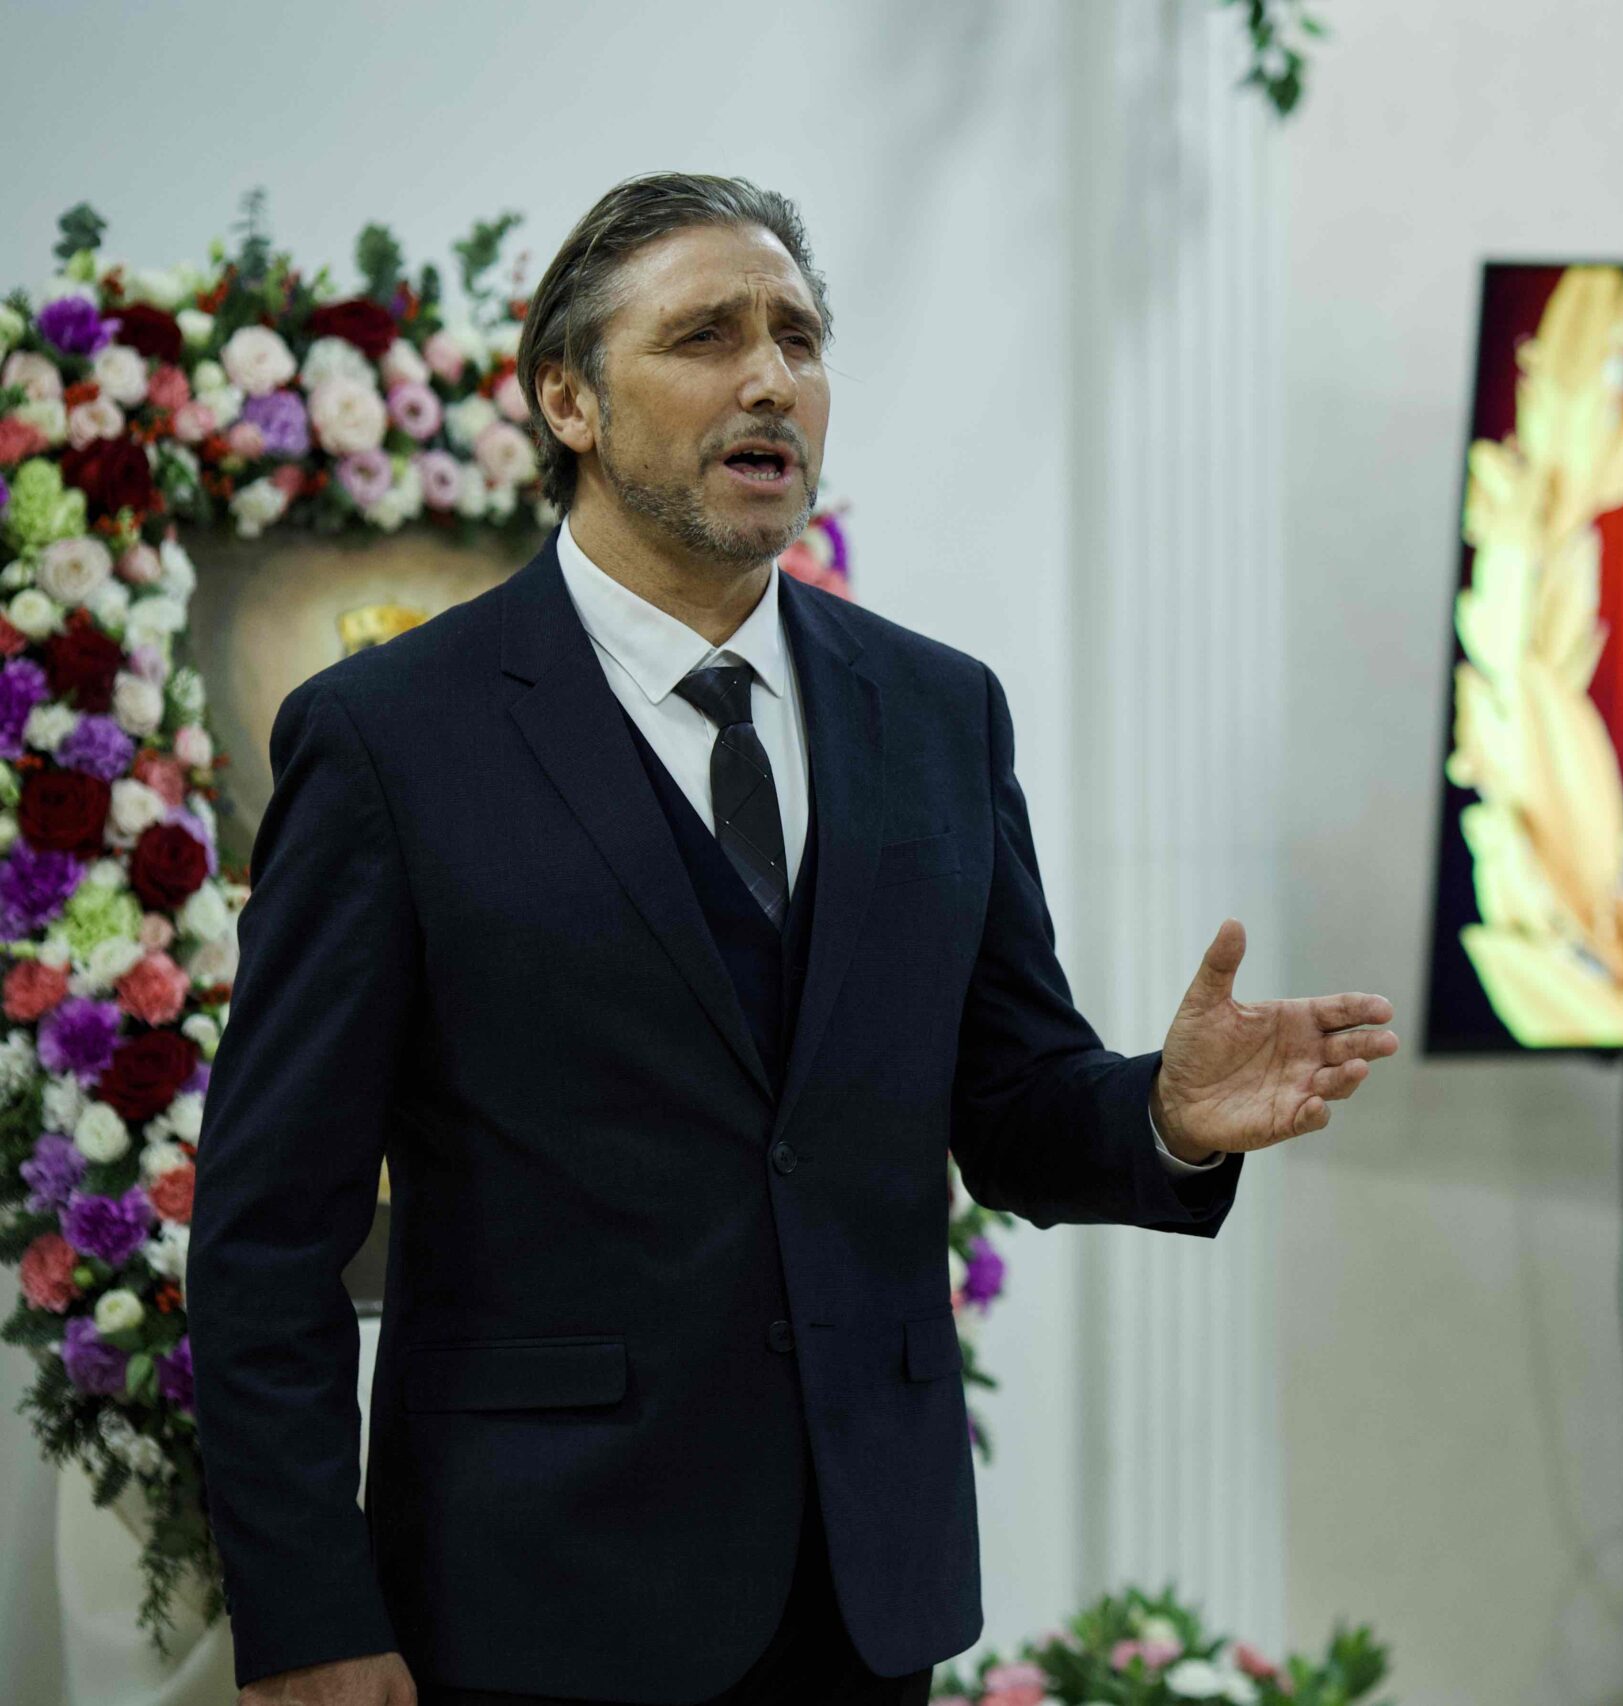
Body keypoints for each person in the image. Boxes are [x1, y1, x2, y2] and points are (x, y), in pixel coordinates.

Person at [187, 171, 1400, 1706]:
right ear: (567, 397)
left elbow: (1009, 1102)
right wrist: (309, 1616)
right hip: (531, 1599)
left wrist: (1161, 1111)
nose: (770, 378)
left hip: (862, 1597)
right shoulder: (388, 740)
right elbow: (266, 1234)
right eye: (705, 335)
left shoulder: (938, 712)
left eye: (799, 337)